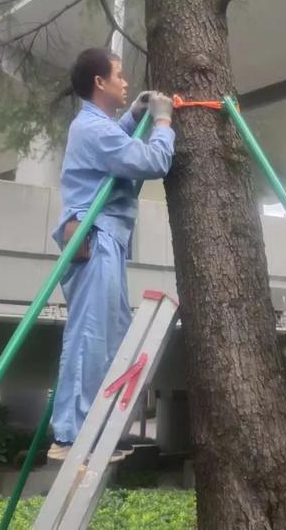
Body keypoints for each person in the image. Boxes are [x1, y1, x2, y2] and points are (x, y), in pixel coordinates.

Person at [49, 48, 175, 461]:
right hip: (96, 236)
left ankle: (95, 427)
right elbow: (154, 160)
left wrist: (133, 116)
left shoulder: (95, 126)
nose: (125, 82)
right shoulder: (93, 130)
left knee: (109, 335)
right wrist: (161, 120)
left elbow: (113, 142)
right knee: (90, 335)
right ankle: (71, 435)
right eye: (119, 76)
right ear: (99, 83)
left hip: (106, 239)